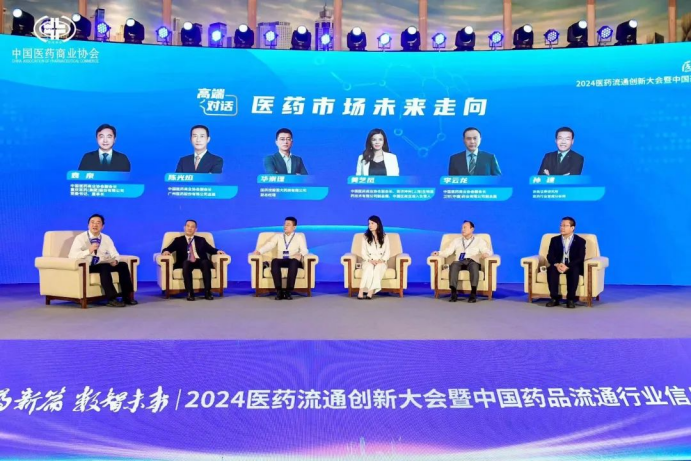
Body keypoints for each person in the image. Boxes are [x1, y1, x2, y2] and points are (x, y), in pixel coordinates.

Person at [68, 214, 137, 307]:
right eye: (92, 222)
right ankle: (112, 299)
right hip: (87, 266)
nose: (95, 225)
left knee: (123, 265)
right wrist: (88, 251)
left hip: (103, 263)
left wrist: (115, 261)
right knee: (104, 267)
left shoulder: (106, 238)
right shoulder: (80, 238)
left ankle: (127, 297)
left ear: (102, 226)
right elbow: (72, 255)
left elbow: (115, 254)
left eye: (98, 223)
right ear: (88, 225)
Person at [161, 220, 226, 301]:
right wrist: (166, 251)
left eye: (192, 227)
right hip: (186, 261)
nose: (190, 228)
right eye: (188, 226)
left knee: (206, 262)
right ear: (184, 227)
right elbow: (168, 248)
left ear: (196, 229)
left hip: (200, 260)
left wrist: (217, 251)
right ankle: (190, 293)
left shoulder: (201, 240)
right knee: (186, 263)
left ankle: (208, 292)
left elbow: (210, 249)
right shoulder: (178, 240)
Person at [431, 220, 490, 303]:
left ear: (472, 229)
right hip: (460, 261)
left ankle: (473, 293)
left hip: (472, 261)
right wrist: (438, 253)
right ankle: (453, 292)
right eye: (462, 228)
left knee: (474, 266)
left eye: (465, 227)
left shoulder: (479, 241)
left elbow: (486, 250)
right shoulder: (457, 241)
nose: (462, 229)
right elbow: (448, 251)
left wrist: (486, 254)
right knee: (454, 265)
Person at [252, 217, 308, 300]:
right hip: (281, 259)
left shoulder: (299, 237)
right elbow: (270, 244)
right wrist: (259, 251)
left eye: (288, 224)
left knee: (294, 262)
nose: (285, 226)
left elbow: (305, 249)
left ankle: (288, 291)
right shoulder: (278, 236)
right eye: (285, 224)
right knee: (274, 261)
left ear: (294, 227)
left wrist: (300, 254)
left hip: (292, 260)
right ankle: (279, 291)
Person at [546, 217, 586, 309]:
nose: (562, 228)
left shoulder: (580, 241)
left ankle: (570, 299)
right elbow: (550, 256)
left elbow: (580, 258)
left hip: (572, 265)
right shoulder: (554, 240)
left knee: (574, 270)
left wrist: (567, 266)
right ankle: (554, 298)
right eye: (561, 225)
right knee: (551, 269)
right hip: (558, 265)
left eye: (565, 226)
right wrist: (556, 264)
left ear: (572, 228)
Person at [357, 216, 391, 299]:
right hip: (368, 261)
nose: (370, 225)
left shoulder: (385, 237)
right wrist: (370, 260)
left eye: (372, 223)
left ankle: (370, 291)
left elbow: (387, 252)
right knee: (369, 268)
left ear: (378, 224)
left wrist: (381, 260)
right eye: (369, 223)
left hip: (381, 261)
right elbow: (363, 252)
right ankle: (361, 290)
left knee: (378, 268)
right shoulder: (365, 237)